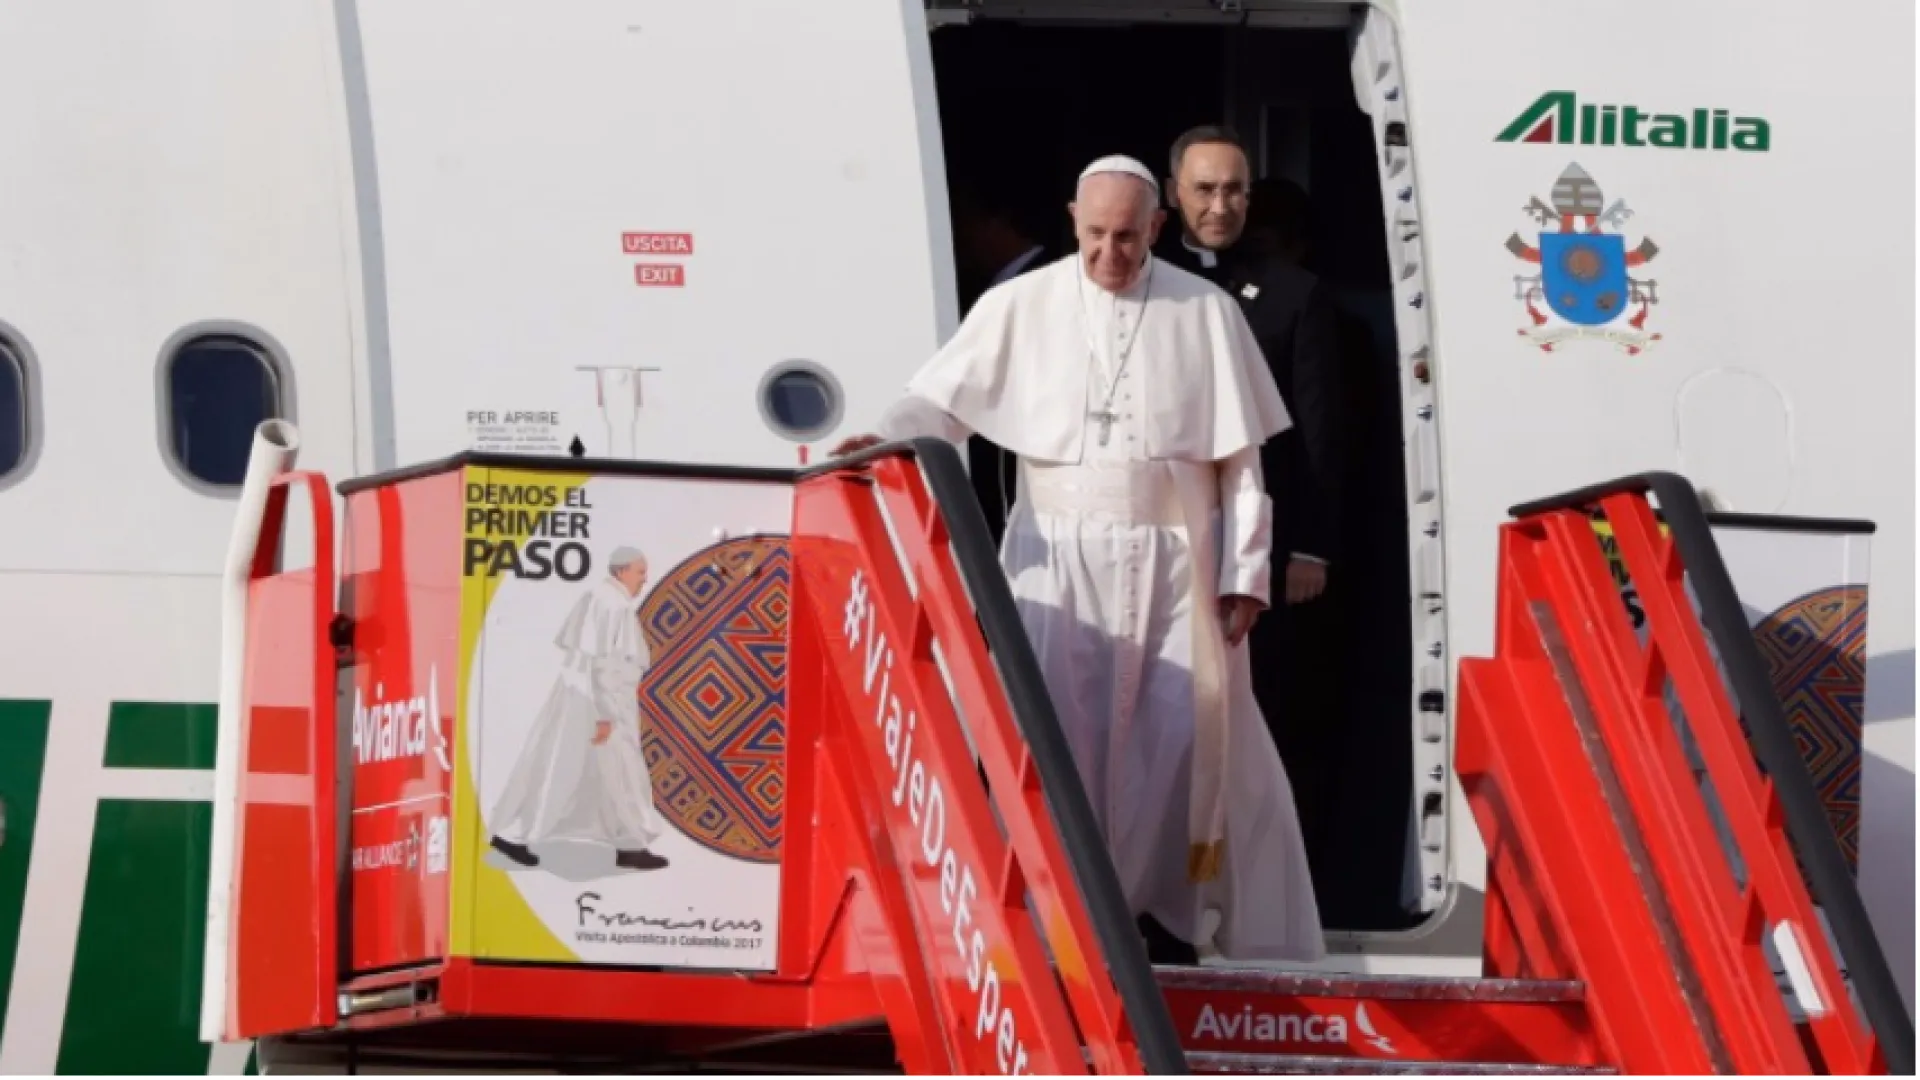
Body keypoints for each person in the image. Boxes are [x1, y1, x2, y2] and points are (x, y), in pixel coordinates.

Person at [835, 155, 1325, 966]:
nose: (1110, 256)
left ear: (1157, 227)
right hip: (1055, 559)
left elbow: (1241, 463)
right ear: (1072, 220)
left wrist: (1245, 572)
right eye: (1095, 236)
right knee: (1053, 735)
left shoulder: (1203, 310)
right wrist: (890, 434)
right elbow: (940, 402)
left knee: (1181, 743)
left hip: (1177, 567)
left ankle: (1168, 920)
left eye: (1128, 238)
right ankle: (1055, 913)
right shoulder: (1020, 303)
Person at [1156, 129, 1346, 902]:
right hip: (1166, 544)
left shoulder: (1296, 294)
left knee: (1267, 721)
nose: (1220, 206)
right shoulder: (1148, 284)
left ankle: (1267, 890)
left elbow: (1321, 431)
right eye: (1203, 190)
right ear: (1175, 194)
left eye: (1234, 191)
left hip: (1264, 551)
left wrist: (1311, 549)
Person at [488, 547, 669, 873]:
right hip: (600, 704)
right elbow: (602, 664)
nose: (644, 580)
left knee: (587, 770)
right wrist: (604, 716)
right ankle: (516, 836)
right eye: (640, 572)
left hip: (590, 699)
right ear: (622, 571)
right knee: (602, 771)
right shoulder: (612, 604)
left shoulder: (602, 598)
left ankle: (629, 843)